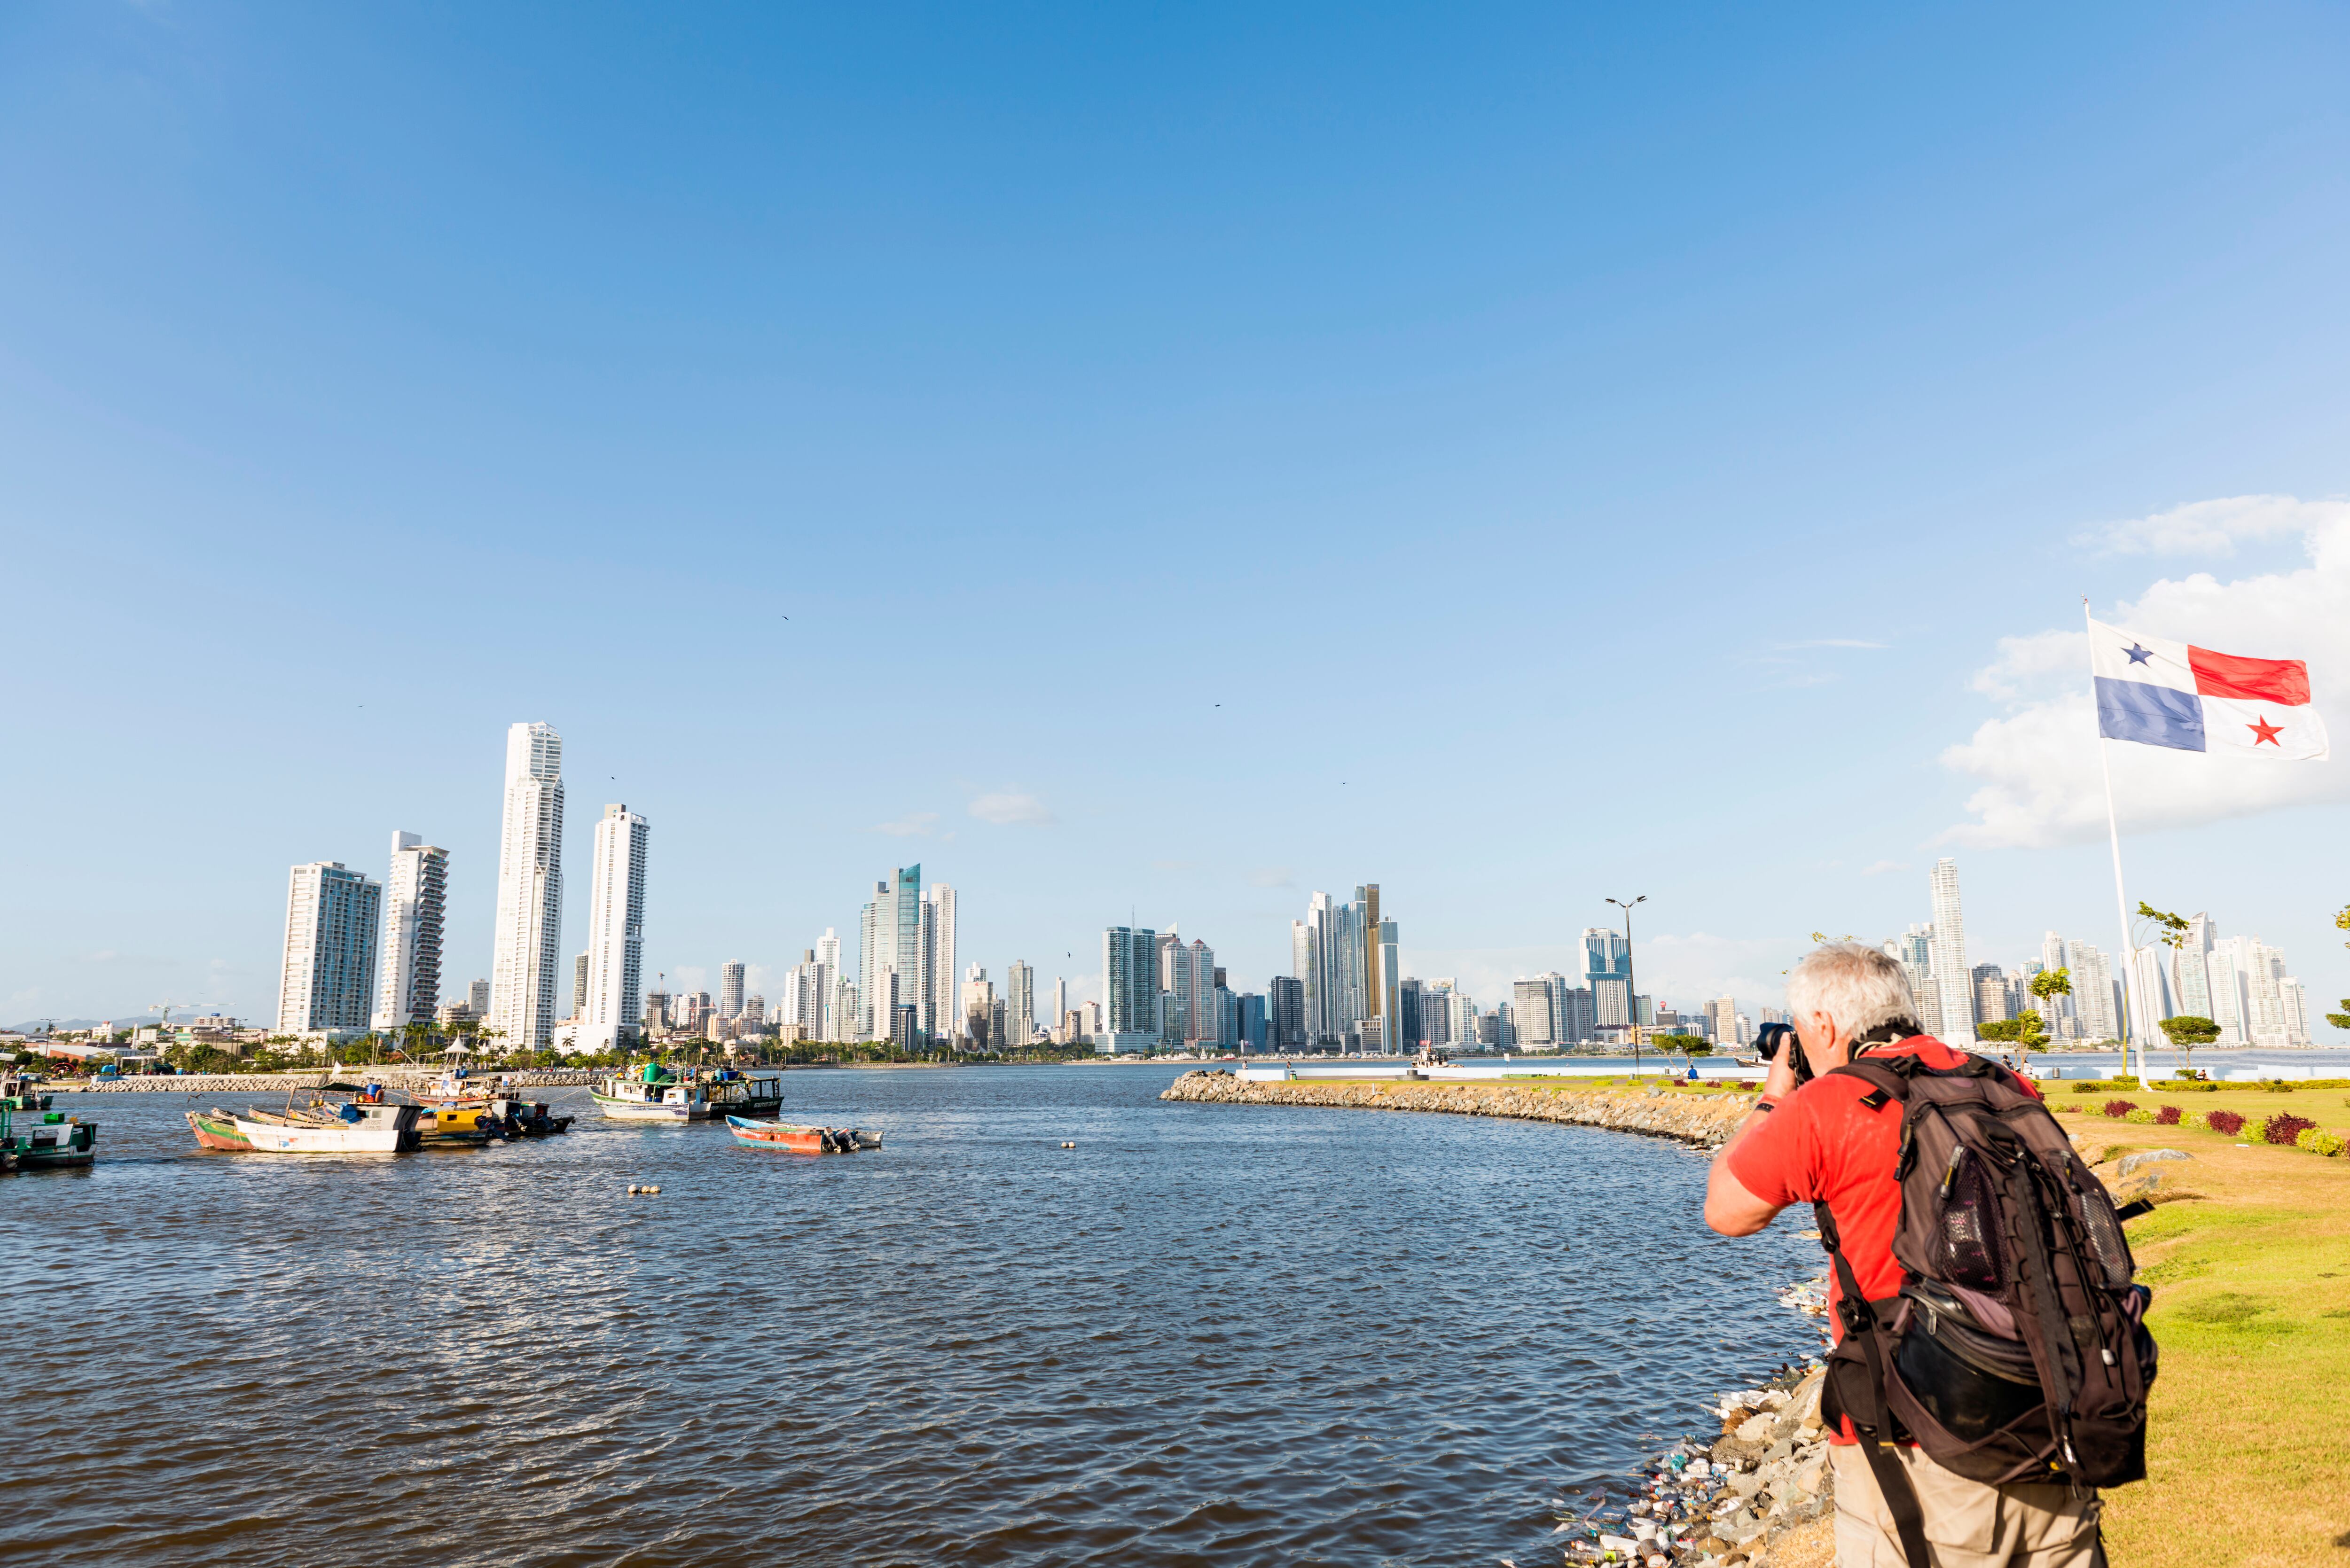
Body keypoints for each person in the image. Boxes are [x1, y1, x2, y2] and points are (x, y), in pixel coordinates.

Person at [1702, 942, 2103, 1568]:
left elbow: (1726, 1209)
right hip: (2049, 1411)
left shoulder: (1828, 1104)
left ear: (1824, 1027)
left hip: (1916, 1443)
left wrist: (1775, 1094)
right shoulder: (2002, 1082)